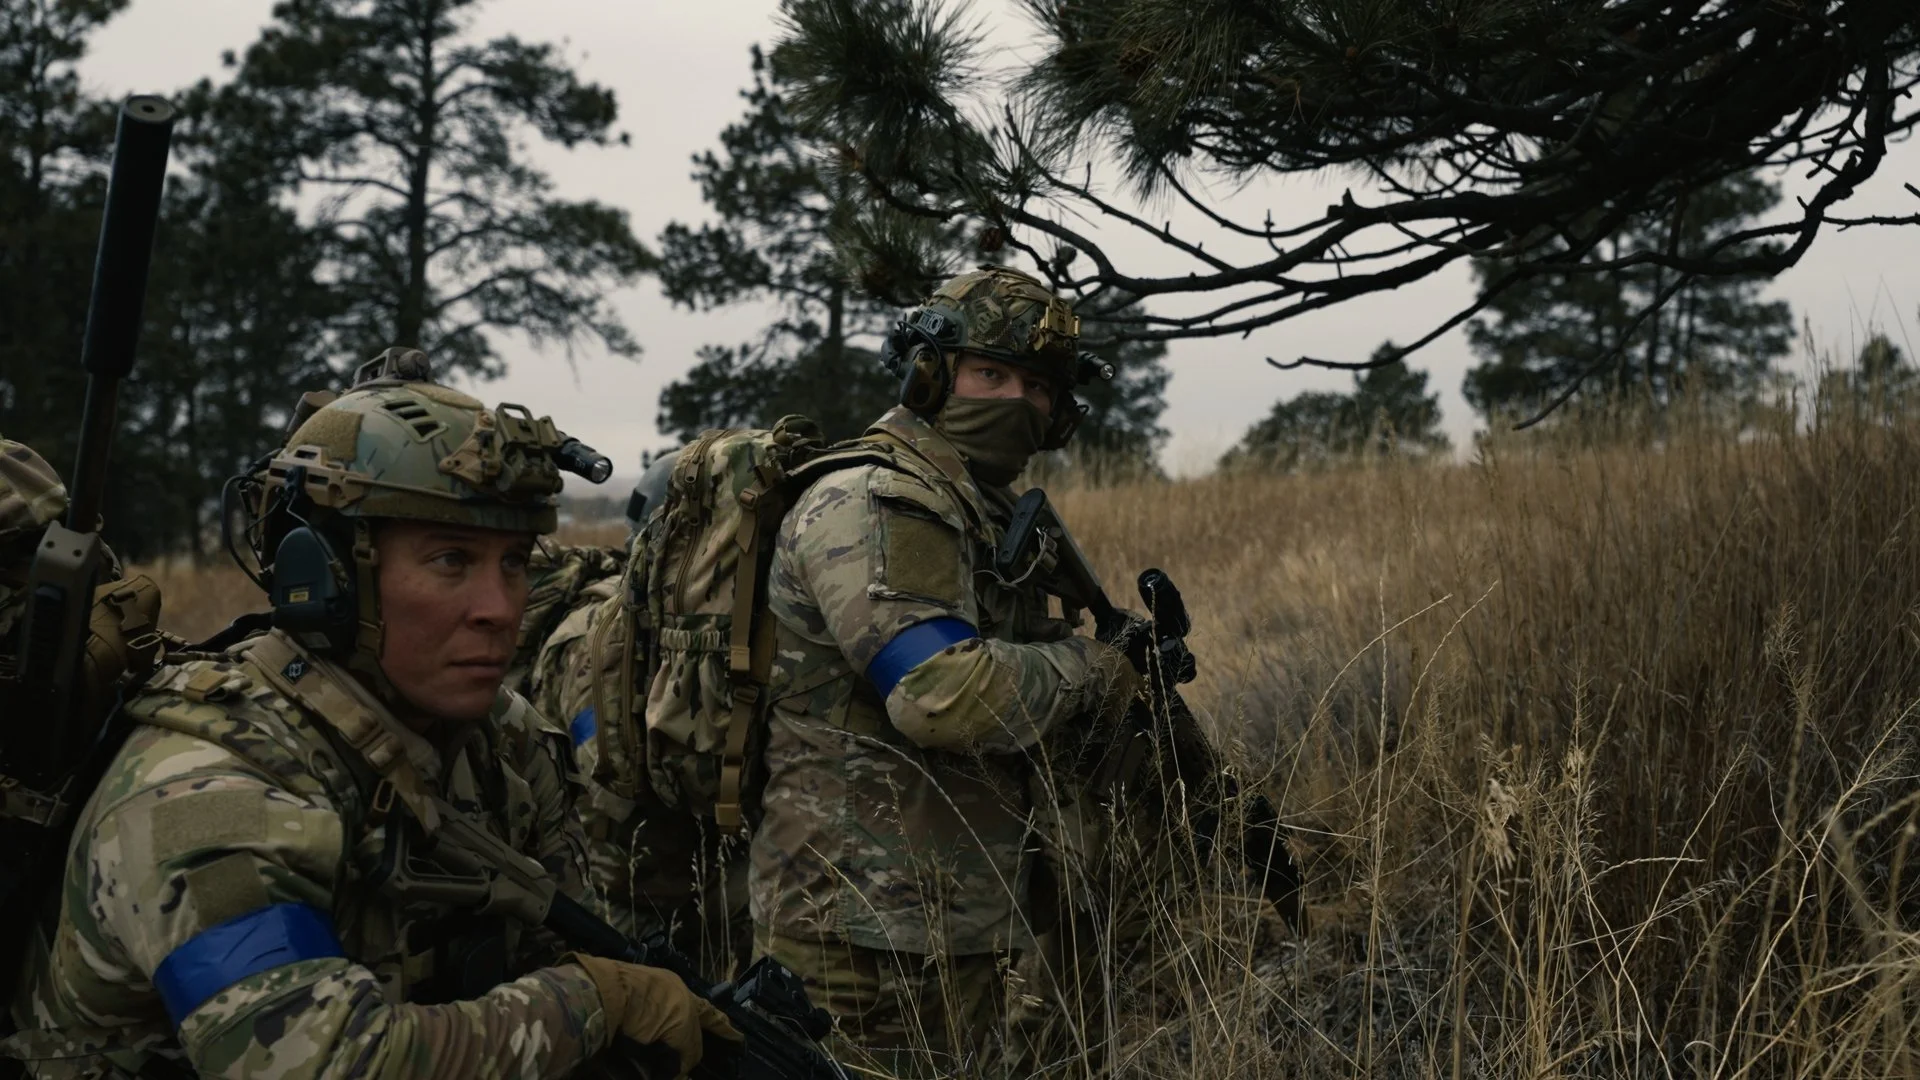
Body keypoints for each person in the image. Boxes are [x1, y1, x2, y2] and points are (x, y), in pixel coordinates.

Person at [3, 350, 735, 1080]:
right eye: (452, 560)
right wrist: (596, 1003)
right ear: (320, 576)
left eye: (514, 561)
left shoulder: (500, 743)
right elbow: (322, 1066)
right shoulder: (202, 788)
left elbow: (549, 950)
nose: (499, 608)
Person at [749, 266, 1138, 1075]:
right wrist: (1089, 668)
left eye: (1035, 386)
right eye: (988, 373)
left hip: (950, 918)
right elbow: (940, 695)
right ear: (929, 375)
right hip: (853, 931)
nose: (1012, 400)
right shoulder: (873, 497)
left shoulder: (978, 507)